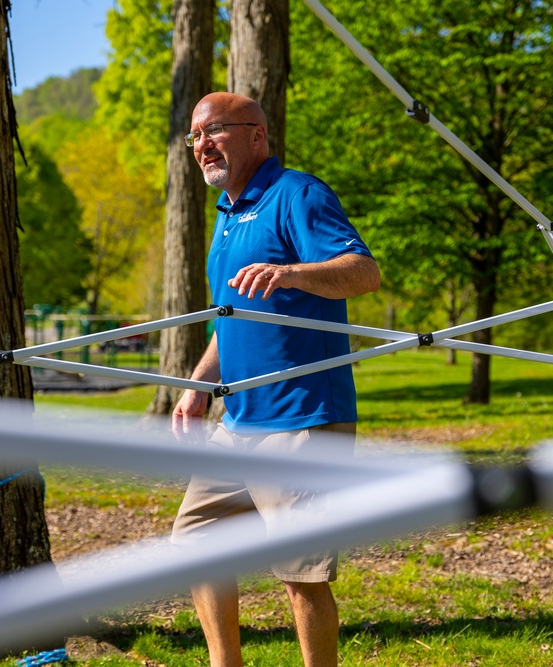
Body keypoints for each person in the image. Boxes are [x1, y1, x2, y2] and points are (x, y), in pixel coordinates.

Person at [170, 92, 381, 667]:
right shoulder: (227, 216)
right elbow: (231, 321)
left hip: (304, 419)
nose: (202, 145)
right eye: (195, 136)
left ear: (256, 135)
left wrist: (291, 272)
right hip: (237, 421)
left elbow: (363, 272)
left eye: (214, 131)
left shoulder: (298, 194)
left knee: (299, 573)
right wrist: (196, 386)